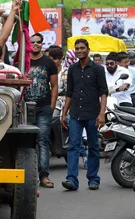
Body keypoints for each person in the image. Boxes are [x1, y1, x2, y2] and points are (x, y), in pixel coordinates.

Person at [61, 39, 108, 191]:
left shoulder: (98, 69)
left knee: (93, 147)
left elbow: (103, 92)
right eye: (77, 48)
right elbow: (69, 93)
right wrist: (64, 113)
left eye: (82, 48)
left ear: (88, 50)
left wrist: (102, 113)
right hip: (75, 114)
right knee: (73, 146)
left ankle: (93, 179)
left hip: (93, 114)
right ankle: (71, 180)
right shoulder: (72, 69)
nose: (80, 50)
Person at [27, 32, 59, 188]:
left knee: (43, 142)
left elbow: (54, 87)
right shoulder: (21, 61)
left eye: (38, 42)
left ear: (42, 43)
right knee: (25, 142)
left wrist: (52, 106)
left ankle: (44, 176)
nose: (35, 44)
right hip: (25, 108)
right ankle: (27, 175)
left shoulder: (49, 63)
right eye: (32, 41)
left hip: (43, 107)